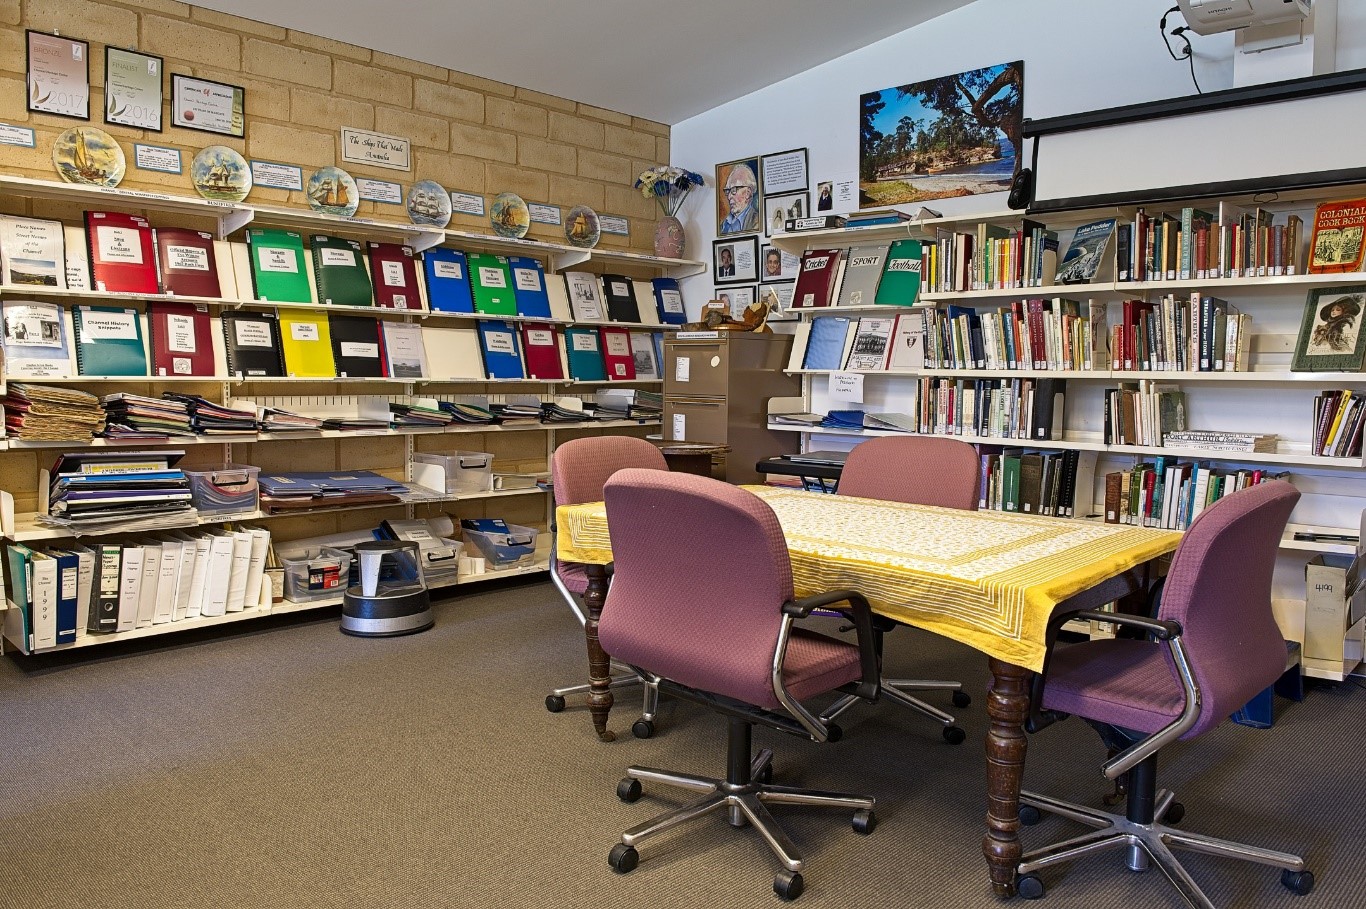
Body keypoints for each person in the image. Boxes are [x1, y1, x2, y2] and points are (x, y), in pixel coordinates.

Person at [719, 163, 760, 235]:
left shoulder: (757, 221)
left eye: (734, 190)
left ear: (747, 193)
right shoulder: (724, 225)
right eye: (728, 191)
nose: (729, 197)